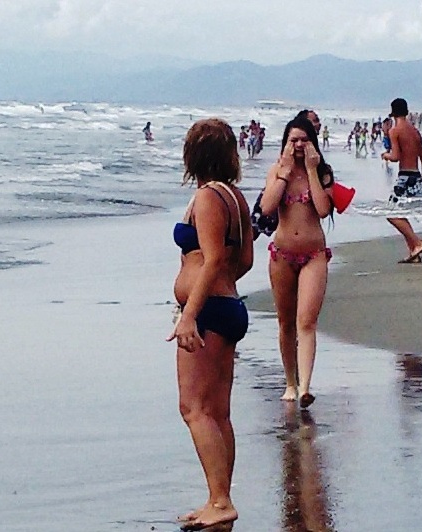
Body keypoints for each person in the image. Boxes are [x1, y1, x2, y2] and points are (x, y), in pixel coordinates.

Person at [169, 118, 254, 530]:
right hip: (229, 307)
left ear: (194, 155)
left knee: (194, 408)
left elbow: (215, 258)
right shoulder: (235, 197)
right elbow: (245, 261)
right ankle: (219, 497)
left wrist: (189, 314)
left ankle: (220, 500)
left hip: (208, 312)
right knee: (218, 412)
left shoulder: (206, 198)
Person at [259, 116, 334, 409]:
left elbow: (323, 209)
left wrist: (312, 171)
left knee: (307, 321)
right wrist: (285, 173)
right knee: (285, 322)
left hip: (313, 255)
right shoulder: (278, 171)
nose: (299, 145)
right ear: (286, 143)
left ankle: (305, 386)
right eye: (294, 140)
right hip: (282, 255)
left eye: (304, 139)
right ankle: (290, 381)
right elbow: (266, 207)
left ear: (313, 142)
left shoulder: (323, 171)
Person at [381, 98, 422, 263]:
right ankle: (413, 250)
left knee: (391, 213)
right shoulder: (415, 131)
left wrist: (385, 155)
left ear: (393, 113)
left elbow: (395, 157)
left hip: (404, 175)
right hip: (416, 174)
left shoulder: (395, 131)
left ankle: (416, 243)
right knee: (401, 212)